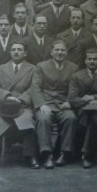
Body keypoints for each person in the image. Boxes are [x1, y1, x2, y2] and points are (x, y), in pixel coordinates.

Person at [0, 40, 39, 170]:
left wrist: (21, 99)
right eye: (13, 50)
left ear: (25, 53)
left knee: (28, 120)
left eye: (19, 50)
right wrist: (8, 96)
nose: (16, 52)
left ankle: (30, 156)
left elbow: (34, 88)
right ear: (10, 52)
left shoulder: (32, 69)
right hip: (3, 104)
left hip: (22, 105)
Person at [31, 39, 79, 169]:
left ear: (66, 52)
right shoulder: (41, 66)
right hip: (46, 103)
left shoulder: (73, 67)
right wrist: (41, 104)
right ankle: (47, 155)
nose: (60, 52)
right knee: (43, 119)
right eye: (57, 50)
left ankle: (65, 153)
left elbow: (75, 88)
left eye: (62, 50)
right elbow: (35, 87)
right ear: (52, 52)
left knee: (71, 118)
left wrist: (69, 102)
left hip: (63, 104)